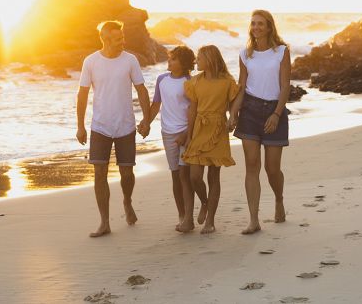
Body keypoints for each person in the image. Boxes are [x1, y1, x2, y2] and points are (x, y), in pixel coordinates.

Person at [76, 20, 151, 237]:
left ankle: (127, 201)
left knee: (126, 172)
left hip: (125, 125)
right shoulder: (91, 61)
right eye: (118, 39)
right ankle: (105, 222)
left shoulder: (130, 60)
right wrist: (80, 126)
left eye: (123, 37)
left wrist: (146, 120)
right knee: (99, 173)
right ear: (105, 39)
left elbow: (141, 90)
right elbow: (82, 95)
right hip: (100, 126)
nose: (123, 42)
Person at [230, 9, 291, 235]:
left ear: (269, 27)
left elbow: (285, 85)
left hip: (274, 110)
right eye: (253, 23)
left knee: (272, 169)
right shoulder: (245, 54)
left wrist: (276, 114)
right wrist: (233, 113)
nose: (256, 27)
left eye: (260, 24)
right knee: (252, 164)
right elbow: (242, 86)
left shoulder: (281, 52)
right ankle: (254, 219)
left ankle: (279, 199)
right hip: (250, 111)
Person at [149, 46, 208, 231]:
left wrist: (187, 134)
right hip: (167, 133)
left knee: (185, 175)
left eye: (173, 59)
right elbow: (156, 104)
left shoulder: (190, 81)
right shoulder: (162, 80)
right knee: (175, 175)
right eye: (170, 58)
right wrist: (145, 122)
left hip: (186, 132)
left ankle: (192, 215)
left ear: (183, 64)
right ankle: (182, 215)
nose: (169, 61)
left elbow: (195, 109)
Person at [182, 45, 240, 234]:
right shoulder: (195, 82)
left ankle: (210, 221)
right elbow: (192, 109)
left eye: (199, 58)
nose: (196, 61)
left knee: (214, 177)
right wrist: (189, 135)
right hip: (199, 128)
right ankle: (205, 203)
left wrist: (233, 118)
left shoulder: (227, 82)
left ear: (210, 59)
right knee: (195, 177)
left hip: (218, 129)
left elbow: (233, 106)